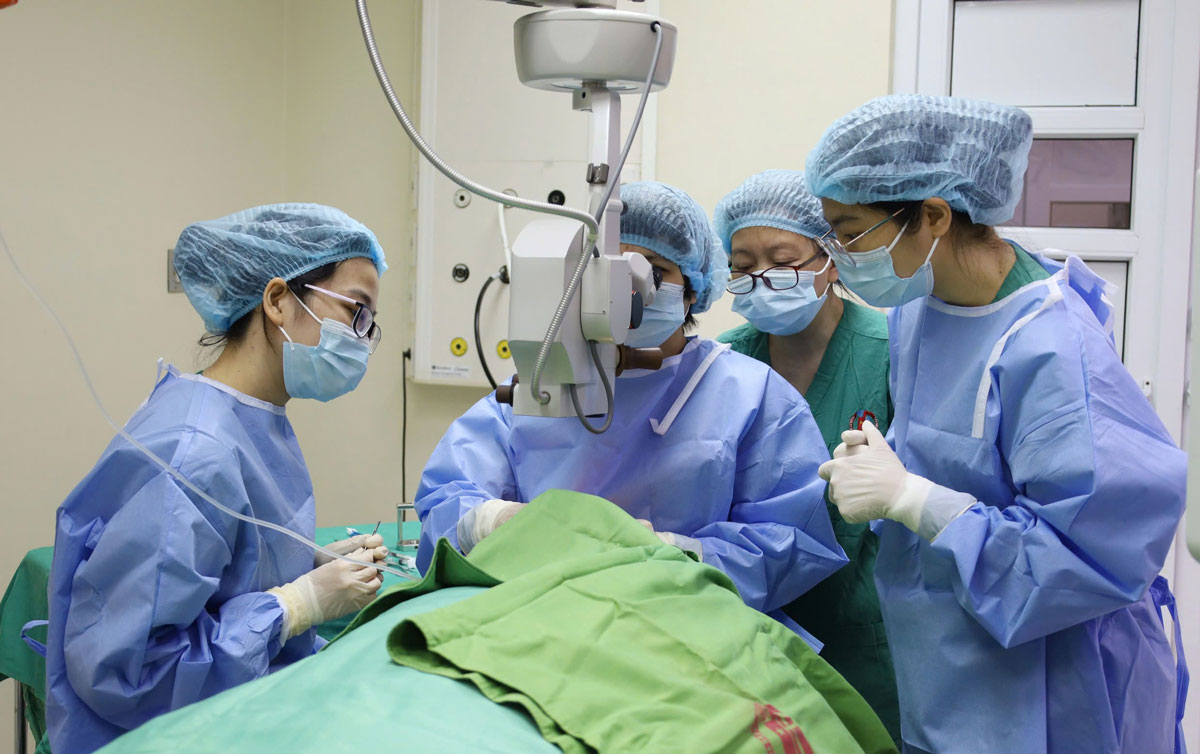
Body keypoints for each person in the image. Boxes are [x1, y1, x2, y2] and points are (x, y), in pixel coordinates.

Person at [809, 94, 1187, 754]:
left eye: (851, 230)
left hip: (1054, 689)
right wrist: (883, 462)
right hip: (951, 672)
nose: (838, 254)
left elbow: (1093, 562)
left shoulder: (1055, 351)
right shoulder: (921, 310)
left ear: (932, 215)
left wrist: (913, 499)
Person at [46, 203, 391, 753]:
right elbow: (133, 673)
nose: (362, 338)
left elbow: (217, 568)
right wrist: (296, 604)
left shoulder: (254, 419)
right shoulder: (196, 452)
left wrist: (303, 563)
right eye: (356, 311)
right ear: (278, 300)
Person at [416, 181, 847, 620]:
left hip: (692, 627)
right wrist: (492, 523)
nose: (625, 291)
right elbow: (445, 501)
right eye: (608, 272)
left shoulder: (751, 395)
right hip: (545, 618)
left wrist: (677, 555)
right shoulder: (545, 386)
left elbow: (789, 542)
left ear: (693, 287)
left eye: (653, 271)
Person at [713, 169, 899, 743]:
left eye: (782, 258)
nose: (762, 278)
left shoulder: (891, 354)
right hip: (752, 631)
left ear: (831, 257)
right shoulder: (723, 365)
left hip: (862, 634)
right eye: (743, 266)